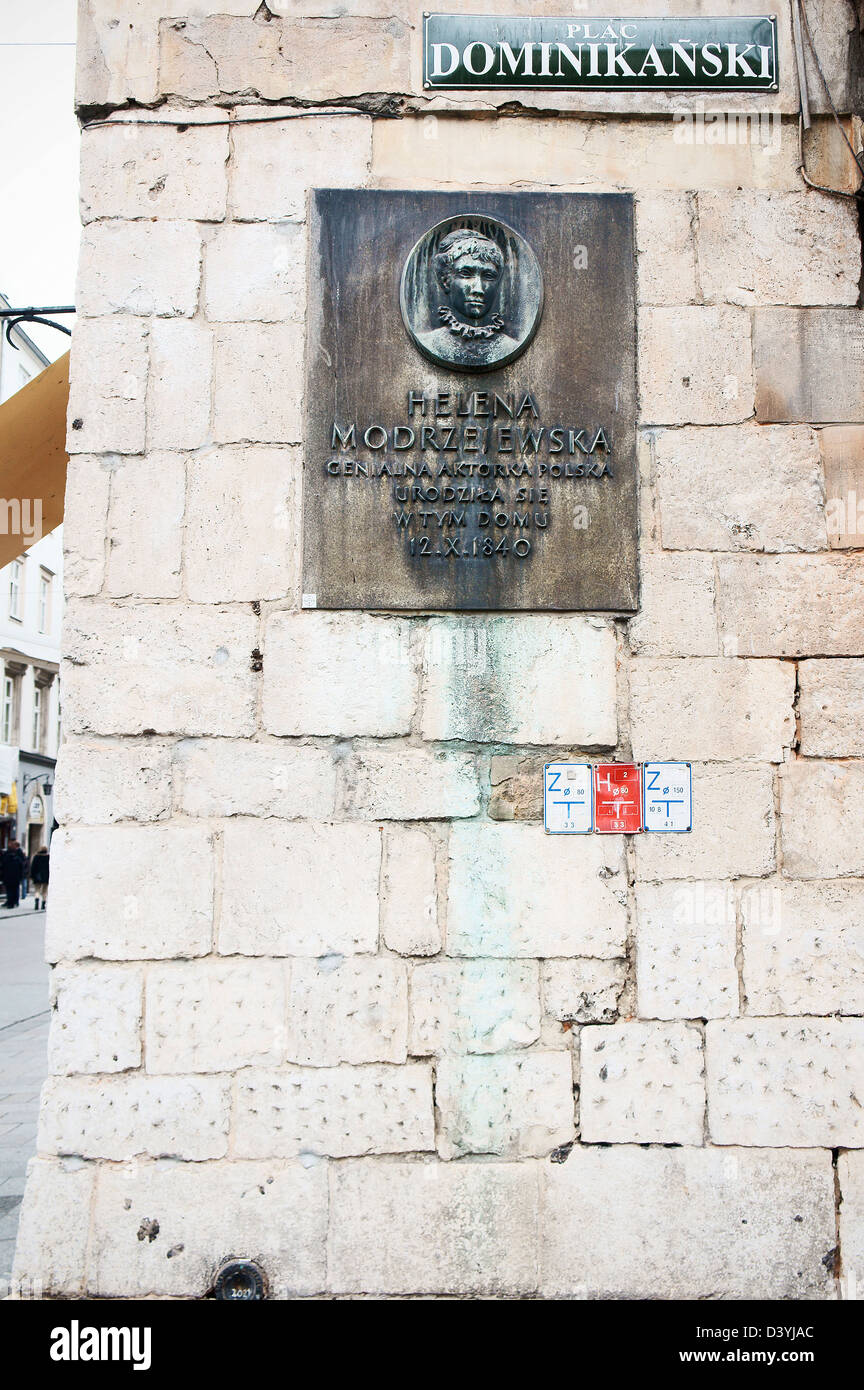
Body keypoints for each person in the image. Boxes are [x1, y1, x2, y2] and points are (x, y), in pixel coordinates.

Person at [417, 230, 521, 370]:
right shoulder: (429, 342)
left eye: (488, 276)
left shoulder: (510, 347)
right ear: (446, 281)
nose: (478, 289)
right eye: (466, 274)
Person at [1, 839, 26, 909]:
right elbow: (3, 864)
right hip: (8, 875)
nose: (10, 845)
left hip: (14, 875)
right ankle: (10, 901)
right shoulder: (7, 853)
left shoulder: (18, 853)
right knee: (10, 889)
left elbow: (22, 865)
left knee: (13, 889)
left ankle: (13, 902)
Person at [30, 843, 49, 911]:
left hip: (37, 876)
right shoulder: (48, 857)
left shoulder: (36, 857)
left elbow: (33, 867)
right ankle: (43, 904)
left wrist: (32, 876)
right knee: (44, 891)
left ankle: (36, 903)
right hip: (46, 876)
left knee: (37, 890)